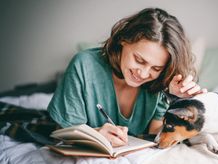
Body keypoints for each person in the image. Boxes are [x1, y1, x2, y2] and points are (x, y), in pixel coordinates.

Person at [47, 8, 207, 147]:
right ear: (123, 40)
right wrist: (96, 134)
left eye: (156, 68)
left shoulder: (162, 82)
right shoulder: (84, 65)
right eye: (139, 60)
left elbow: (156, 131)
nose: (143, 74)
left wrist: (184, 107)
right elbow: (61, 131)